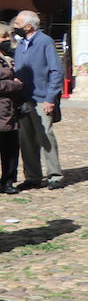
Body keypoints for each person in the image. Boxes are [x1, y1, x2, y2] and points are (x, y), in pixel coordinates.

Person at [12, 9, 63, 190]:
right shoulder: (20, 44)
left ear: (28, 26)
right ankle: (32, 177)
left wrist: (51, 98)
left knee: (45, 137)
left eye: (17, 24)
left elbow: (56, 71)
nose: (14, 27)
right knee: (26, 140)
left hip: (41, 99)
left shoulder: (45, 42)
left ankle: (55, 175)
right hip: (23, 100)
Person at [0, 23, 22, 194]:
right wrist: (14, 85)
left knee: (11, 148)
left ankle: (8, 181)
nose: (7, 40)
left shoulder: (6, 57)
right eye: (4, 37)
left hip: (10, 110)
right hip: (2, 109)